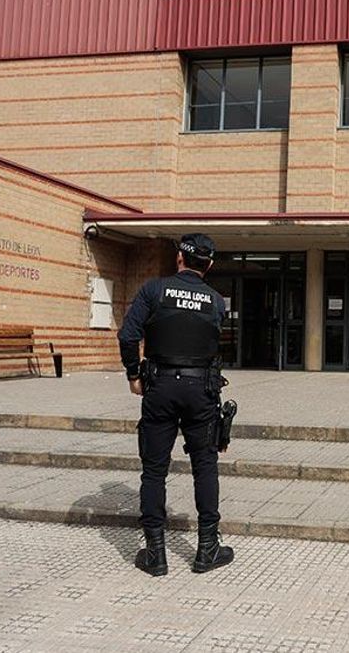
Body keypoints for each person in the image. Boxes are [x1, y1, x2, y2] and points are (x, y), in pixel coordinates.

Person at [118, 233, 234, 577]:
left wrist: (132, 374)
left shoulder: (154, 290)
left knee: (154, 470)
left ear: (179, 260)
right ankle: (207, 550)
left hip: (160, 386)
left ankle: (156, 555)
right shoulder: (216, 300)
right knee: (205, 466)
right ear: (209, 265)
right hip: (201, 390)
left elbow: (128, 335)